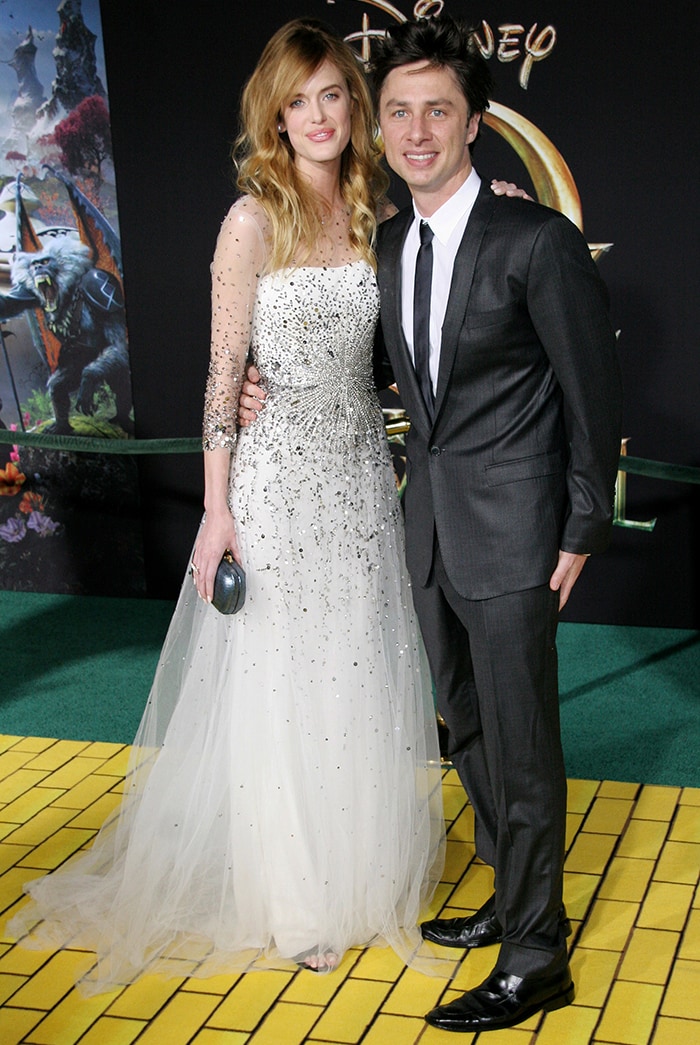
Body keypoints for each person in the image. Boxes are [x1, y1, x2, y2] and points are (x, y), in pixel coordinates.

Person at [7, 18, 449, 990]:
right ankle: (293, 897)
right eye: (299, 100)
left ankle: (358, 865)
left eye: (333, 94)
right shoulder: (249, 222)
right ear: (274, 116)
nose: (319, 114)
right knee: (284, 684)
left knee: (353, 673)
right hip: (276, 483)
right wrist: (217, 513)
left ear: (352, 106)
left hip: (361, 480)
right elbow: (220, 384)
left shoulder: (376, 210)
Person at [240, 12, 623, 1033]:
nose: (414, 131)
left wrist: (582, 526)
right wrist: (256, 390)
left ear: (475, 122)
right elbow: (377, 372)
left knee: (526, 746)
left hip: (515, 539)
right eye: (398, 111)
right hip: (426, 537)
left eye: (437, 112)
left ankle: (537, 954)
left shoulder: (532, 239)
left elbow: (594, 396)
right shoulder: (392, 238)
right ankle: (507, 895)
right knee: (465, 731)